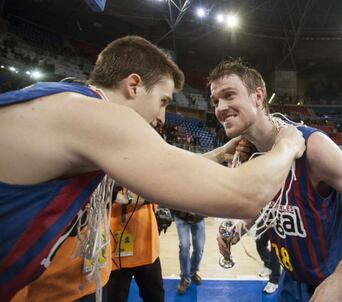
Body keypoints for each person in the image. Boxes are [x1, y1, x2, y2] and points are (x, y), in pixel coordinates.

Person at [0, 36, 305, 300]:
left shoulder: (63, 101)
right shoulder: (96, 116)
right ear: (133, 85)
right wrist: (288, 143)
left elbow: (167, 166)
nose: (162, 116)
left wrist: (220, 153)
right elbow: (247, 196)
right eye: (162, 101)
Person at [212, 59, 342, 301]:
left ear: (258, 97)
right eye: (215, 101)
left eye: (229, 95)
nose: (220, 107)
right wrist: (240, 227)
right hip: (294, 276)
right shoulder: (249, 154)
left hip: (338, 275)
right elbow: (266, 200)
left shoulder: (313, 146)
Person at [108, 186, 164, 302]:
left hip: (147, 249)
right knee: (115, 297)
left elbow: (161, 189)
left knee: (155, 297)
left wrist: (131, 199)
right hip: (116, 253)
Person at [171, 210, 205, 294]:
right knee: (184, 246)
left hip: (198, 217)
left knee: (199, 247)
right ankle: (185, 278)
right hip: (181, 216)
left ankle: (192, 272)